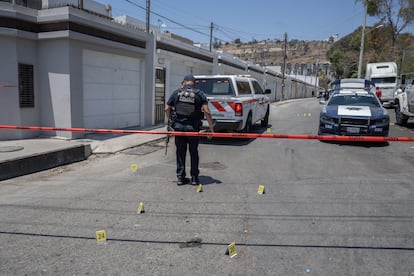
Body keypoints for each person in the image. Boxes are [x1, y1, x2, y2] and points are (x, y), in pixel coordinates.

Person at [165, 74, 214, 186]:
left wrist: (171, 120)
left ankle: (181, 178)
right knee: (194, 153)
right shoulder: (199, 94)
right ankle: (194, 178)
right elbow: (207, 111)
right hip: (193, 129)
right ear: (194, 83)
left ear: (184, 82)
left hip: (179, 129)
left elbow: (167, 108)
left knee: (180, 153)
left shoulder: (176, 92)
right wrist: (211, 129)